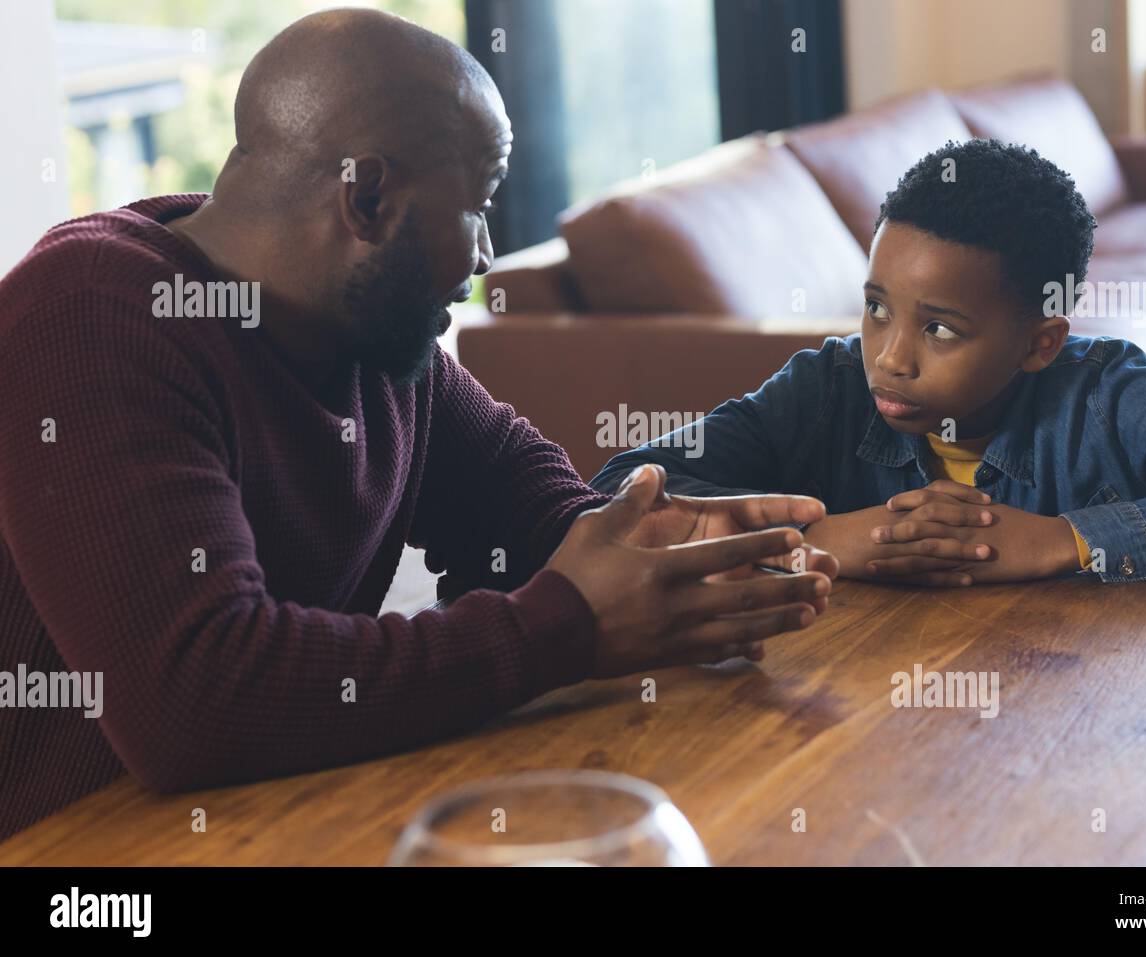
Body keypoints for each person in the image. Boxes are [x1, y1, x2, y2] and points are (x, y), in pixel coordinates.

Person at [0, 8, 836, 841]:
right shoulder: (89, 317)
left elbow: (525, 506)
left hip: (273, 815)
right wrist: (565, 626)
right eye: (479, 205)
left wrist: (657, 548)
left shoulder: (364, 328)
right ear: (367, 198)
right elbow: (198, 697)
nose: (483, 256)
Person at [592, 139, 1146, 587]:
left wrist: (1066, 540)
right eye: (876, 309)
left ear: (1039, 343)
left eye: (939, 328)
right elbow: (619, 496)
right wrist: (817, 539)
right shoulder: (826, 387)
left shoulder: (1103, 394)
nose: (891, 359)